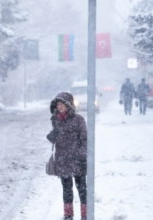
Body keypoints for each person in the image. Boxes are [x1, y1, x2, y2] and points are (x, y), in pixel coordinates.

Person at [47, 92, 87, 220]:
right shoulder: (55, 120)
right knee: (67, 190)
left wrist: (82, 155)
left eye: (62, 104)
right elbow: (60, 137)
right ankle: (68, 215)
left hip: (77, 159)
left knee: (82, 190)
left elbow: (84, 139)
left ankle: (85, 215)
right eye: (58, 104)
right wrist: (52, 136)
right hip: (63, 159)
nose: (59, 106)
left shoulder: (78, 119)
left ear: (69, 105)